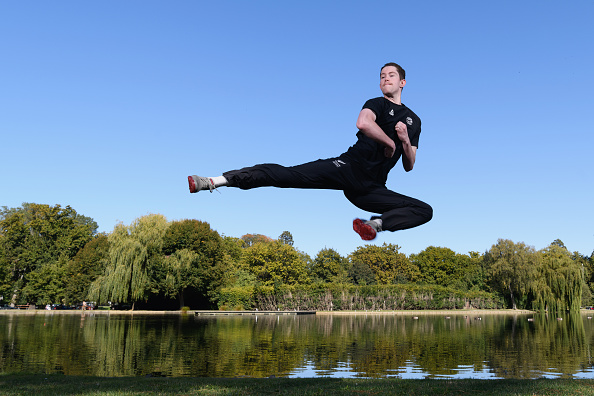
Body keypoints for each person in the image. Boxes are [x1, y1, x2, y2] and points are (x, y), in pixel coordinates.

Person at [188, 62, 432, 241]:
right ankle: (215, 181)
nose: (385, 79)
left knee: (424, 210)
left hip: (372, 187)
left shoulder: (414, 120)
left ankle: (375, 225)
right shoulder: (376, 103)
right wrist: (390, 144)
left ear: (403, 82)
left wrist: (403, 140)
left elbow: (409, 165)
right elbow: (363, 123)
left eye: (391, 75)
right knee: (286, 175)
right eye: (381, 76)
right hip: (348, 168)